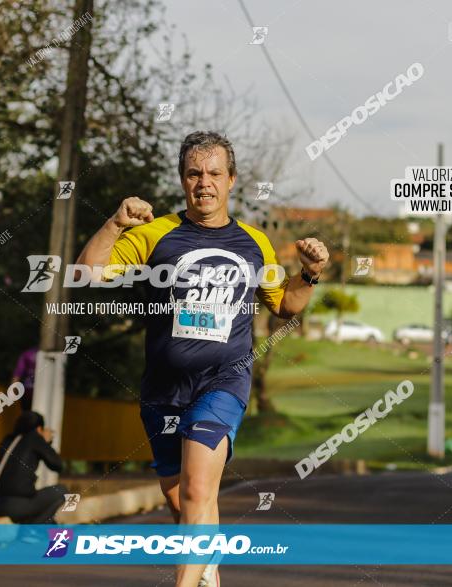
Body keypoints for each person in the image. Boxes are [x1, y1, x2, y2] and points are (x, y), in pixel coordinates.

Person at [75, 130, 328, 587]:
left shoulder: (254, 243)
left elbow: (285, 305)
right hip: (162, 390)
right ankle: (206, 566)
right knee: (182, 503)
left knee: (197, 488)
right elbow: (90, 274)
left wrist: (309, 274)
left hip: (222, 384)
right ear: (182, 180)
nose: (204, 183)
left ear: (231, 180)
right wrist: (114, 224)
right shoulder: (155, 235)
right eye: (194, 173)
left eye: (214, 173)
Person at [0, 410, 68, 523]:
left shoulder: (8, 440)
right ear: (39, 429)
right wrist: (45, 441)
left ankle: (34, 529)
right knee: (62, 490)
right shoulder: (35, 438)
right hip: (18, 506)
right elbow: (58, 465)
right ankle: (31, 530)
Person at [11, 346, 38, 411]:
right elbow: (17, 374)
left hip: (27, 390)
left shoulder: (28, 354)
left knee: (27, 414)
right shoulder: (29, 354)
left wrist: (12, 391)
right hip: (34, 391)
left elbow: (17, 374)